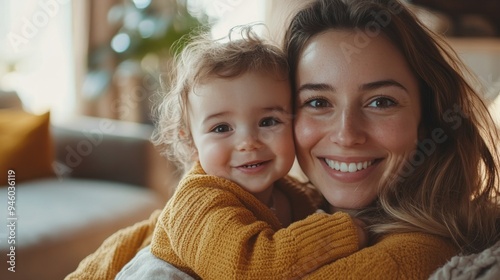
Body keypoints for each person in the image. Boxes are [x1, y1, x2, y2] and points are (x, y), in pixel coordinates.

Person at [66, 0, 500, 279]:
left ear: (428, 117)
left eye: (382, 101)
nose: (346, 134)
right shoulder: (282, 201)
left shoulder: (409, 254)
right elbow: (136, 240)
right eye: (317, 103)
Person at [123, 26, 367, 280]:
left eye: (268, 121)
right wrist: (341, 233)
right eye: (221, 128)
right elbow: (249, 268)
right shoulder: (198, 202)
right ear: (191, 141)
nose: (248, 143)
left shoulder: (291, 193)